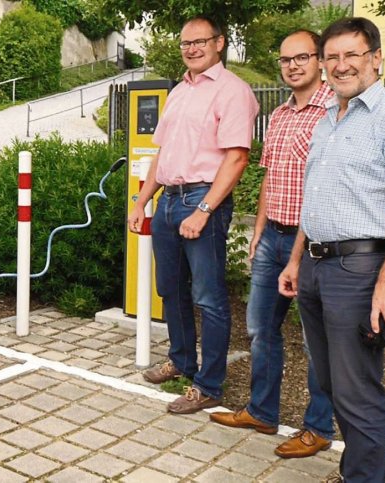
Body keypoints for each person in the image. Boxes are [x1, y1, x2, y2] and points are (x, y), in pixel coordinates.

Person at [278, 17, 385, 482]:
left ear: (376, 59)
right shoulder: (329, 118)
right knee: (330, 382)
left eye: (352, 55)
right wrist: (296, 258)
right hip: (317, 265)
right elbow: (317, 195)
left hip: (360, 269)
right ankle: (355, 470)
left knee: (357, 390)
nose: (341, 66)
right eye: (332, 57)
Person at [210, 30, 335, 458]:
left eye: (302, 57)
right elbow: (270, 176)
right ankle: (261, 411)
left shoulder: (334, 113)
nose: (292, 65)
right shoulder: (279, 113)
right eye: (285, 59)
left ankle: (317, 427)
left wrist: (297, 251)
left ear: (319, 60)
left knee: (316, 340)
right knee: (261, 329)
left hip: (314, 244)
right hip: (273, 239)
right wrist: (260, 229)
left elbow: (322, 189)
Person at [128, 16, 259, 414]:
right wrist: (141, 201)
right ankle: (182, 360)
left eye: (200, 41)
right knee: (170, 289)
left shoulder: (234, 92)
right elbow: (161, 154)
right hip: (169, 200)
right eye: (185, 42)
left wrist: (204, 210)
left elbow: (237, 159)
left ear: (219, 43)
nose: (192, 48)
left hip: (204, 200)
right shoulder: (180, 91)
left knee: (209, 297)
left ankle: (209, 384)